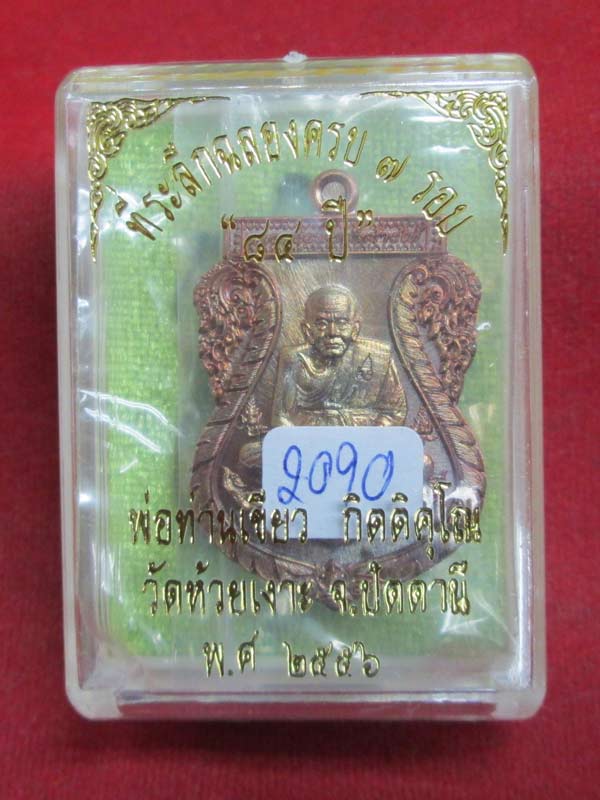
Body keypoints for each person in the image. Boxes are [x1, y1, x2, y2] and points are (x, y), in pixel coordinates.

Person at [272, 284, 406, 427]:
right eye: (322, 323)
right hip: (308, 438)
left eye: (342, 323)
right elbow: (281, 418)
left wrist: (371, 435)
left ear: (355, 329)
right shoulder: (294, 359)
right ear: (307, 330)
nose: (333, 332)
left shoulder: (379, 357)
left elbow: (395, 412)